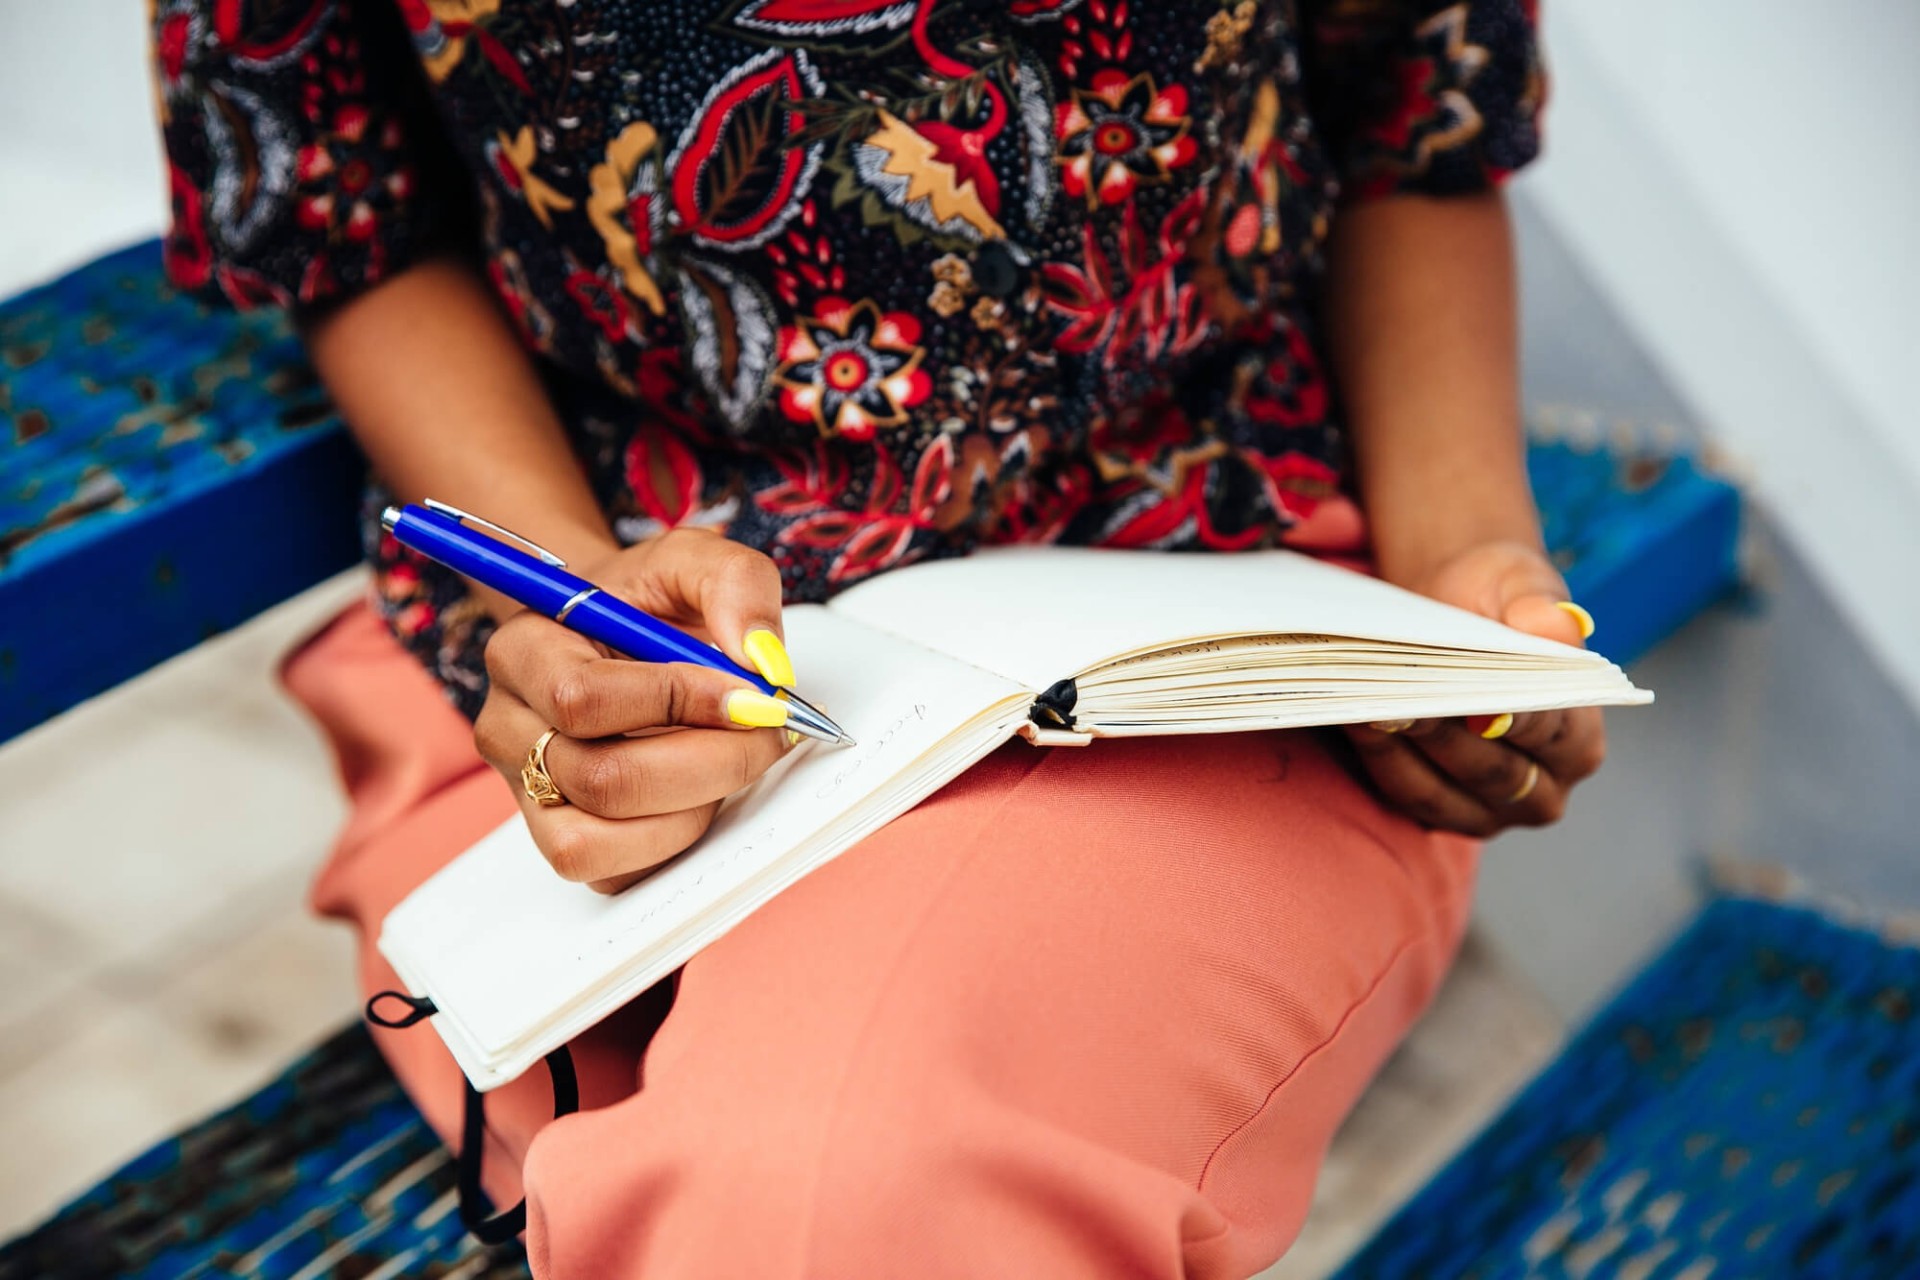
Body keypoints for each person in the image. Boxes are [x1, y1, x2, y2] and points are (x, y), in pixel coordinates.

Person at [153, 0, 1603, 1274]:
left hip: (1188, 617)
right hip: (586, 647)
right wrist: (562, 605)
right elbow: (344, 205)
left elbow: (1417, 114)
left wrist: (1465, 564)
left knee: (841, 1184)